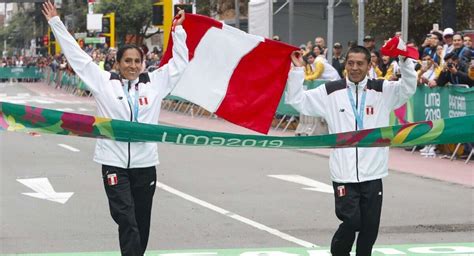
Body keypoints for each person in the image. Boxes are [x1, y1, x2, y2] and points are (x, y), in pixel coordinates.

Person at [42, 2, 189, 255]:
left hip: (145, 165)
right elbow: (78, 59)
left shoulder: (154, 84)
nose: (133, 65)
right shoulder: (104, 83)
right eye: (127, 61)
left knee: (141, 224)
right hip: (113, 163)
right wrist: (56, 23)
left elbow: (180, 64)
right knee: (127, 220)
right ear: (118, 63)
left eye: (137, 61)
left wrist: (179, 31)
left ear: (143, 63)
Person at [286, 45, 417, 256]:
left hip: (374, 174)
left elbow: (408, 88)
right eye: (350, 63)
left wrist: (405, 61)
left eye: (360, 63)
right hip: (344, 174)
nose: (354, 68)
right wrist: (297, 70)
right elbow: (297, 100)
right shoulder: (330, 91)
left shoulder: (382, 90)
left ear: (369, 65)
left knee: (369, 228)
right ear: (345, 64)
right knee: (352, 221)